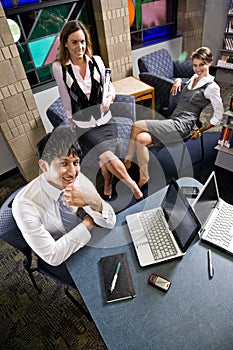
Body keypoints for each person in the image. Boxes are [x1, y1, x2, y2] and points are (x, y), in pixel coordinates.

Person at [12, 126, 116, 285]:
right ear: (44, 166)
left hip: (80, 236)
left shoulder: (76, 177)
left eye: (76, 162)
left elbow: (110, 221)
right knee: (96, 286)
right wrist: (87, 224)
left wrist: (93, 201)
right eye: (64, 163)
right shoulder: (24, 205)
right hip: (60, 250)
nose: (73, 172)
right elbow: (53, 256)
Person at [52, 20, 143, 201]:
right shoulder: (59, 68)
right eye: (74, 42)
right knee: (107, 154)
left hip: (105, 119)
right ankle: (133, 185)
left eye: (83, 41)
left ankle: (108, 184)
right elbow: (64, 96)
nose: (80, 47)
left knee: (104, 159)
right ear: (65, 44)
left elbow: (109, 88)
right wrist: (70, 119)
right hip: (83, 124)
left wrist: (109, 98)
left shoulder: (97, 62)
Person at [124, 47, 224, 188]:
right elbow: (185, 86)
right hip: (173, 120)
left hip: (183, 126)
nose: (198, 69)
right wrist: (177, 80)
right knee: (140, 139)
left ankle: (126, 162)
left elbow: (218, 116)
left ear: (209, 63)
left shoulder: (212, 87)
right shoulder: (194, 78)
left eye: (202, 65)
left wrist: (200, 131)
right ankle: (144, 176)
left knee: (137, 125)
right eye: (195, 65)